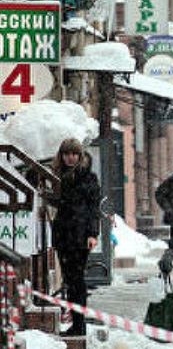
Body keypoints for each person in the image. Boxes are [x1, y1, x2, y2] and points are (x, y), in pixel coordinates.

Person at [48, 139, 101, 337]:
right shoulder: (57, 176)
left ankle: (79, 324)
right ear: (61, 156)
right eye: (66, 154)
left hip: (80, 235)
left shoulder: (88, 177)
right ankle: (76, 323)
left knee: (77, 280)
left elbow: (93, 208)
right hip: (63, 233)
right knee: (70, 279)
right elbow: (56, 200)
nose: (70, 158)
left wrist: (92, 233)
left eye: (74, 154)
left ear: (80, 156)